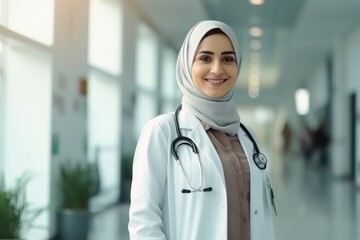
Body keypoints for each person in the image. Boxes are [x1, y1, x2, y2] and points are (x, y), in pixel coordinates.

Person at [128, 20, 276, 240]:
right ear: (187, 64)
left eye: (227, 59)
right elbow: (144, 222)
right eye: (205, 58)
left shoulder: (247, 136)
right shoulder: (162, 131)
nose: (217, 69)